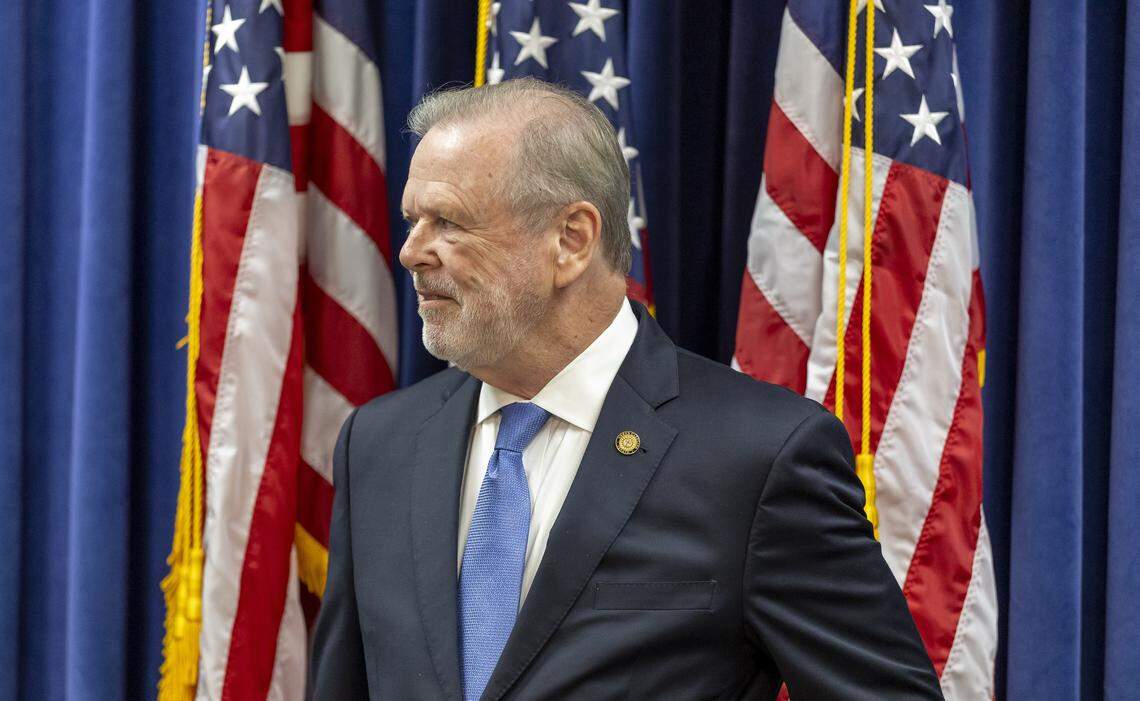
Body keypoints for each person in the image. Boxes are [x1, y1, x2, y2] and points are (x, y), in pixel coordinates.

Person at [309, 77, 943, 700]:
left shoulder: (760, 459)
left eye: (448, 222)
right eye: (413, 221)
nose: (411, 251)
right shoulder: (378, 444)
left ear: (572, 240)